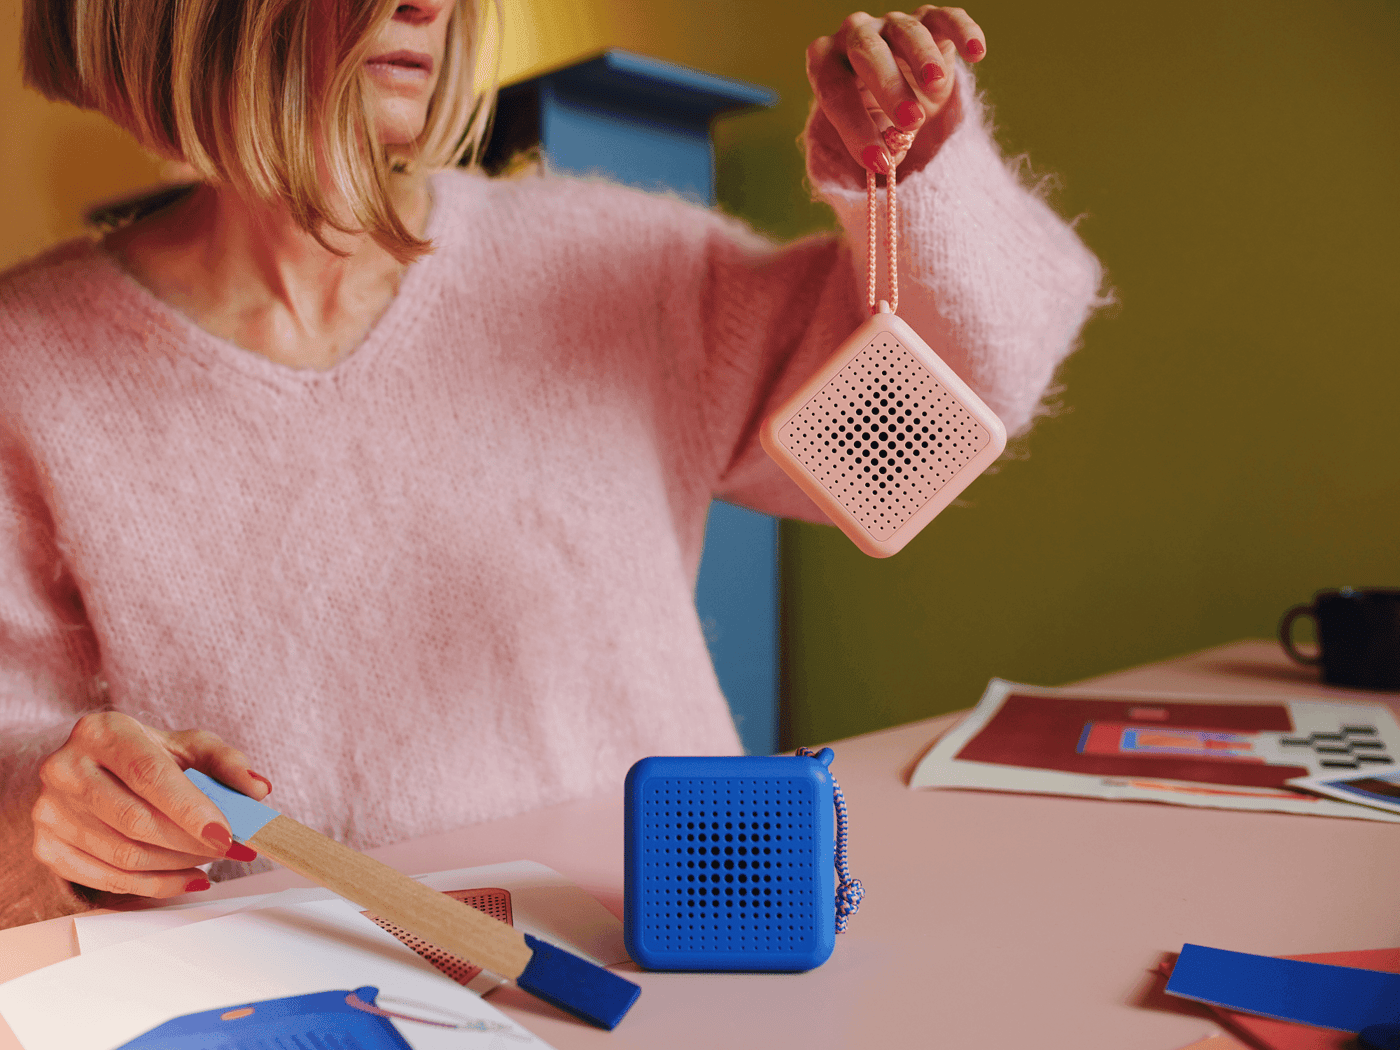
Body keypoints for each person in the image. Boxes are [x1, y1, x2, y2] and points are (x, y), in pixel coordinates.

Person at [0, 1, 1105, 929]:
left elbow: (956, 399)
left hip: (689, 963)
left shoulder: (619, 265)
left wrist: (914, 188)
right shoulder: (25, 364)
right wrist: (62, 813)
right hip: (298, 1008)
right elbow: (22, 756)